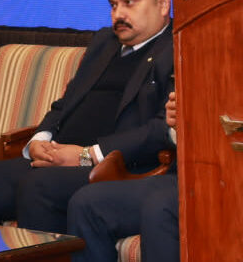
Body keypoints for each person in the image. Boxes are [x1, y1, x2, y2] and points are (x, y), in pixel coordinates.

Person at [0, 0, 175, 233]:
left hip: (116, 166)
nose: (118, 14)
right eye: (113, 5)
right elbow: (66, 102)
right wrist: (39, 140)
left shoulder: (175, 48)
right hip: (60, 157)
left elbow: (161, 129)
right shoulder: (104, 42)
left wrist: (87, 155)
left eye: (129, 3)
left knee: (40, 187)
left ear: (163, 4)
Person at [65, 91, 179, 262]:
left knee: (159, 207)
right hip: (183, 173)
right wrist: (176, 125)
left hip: (219, 179)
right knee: (86, 203)